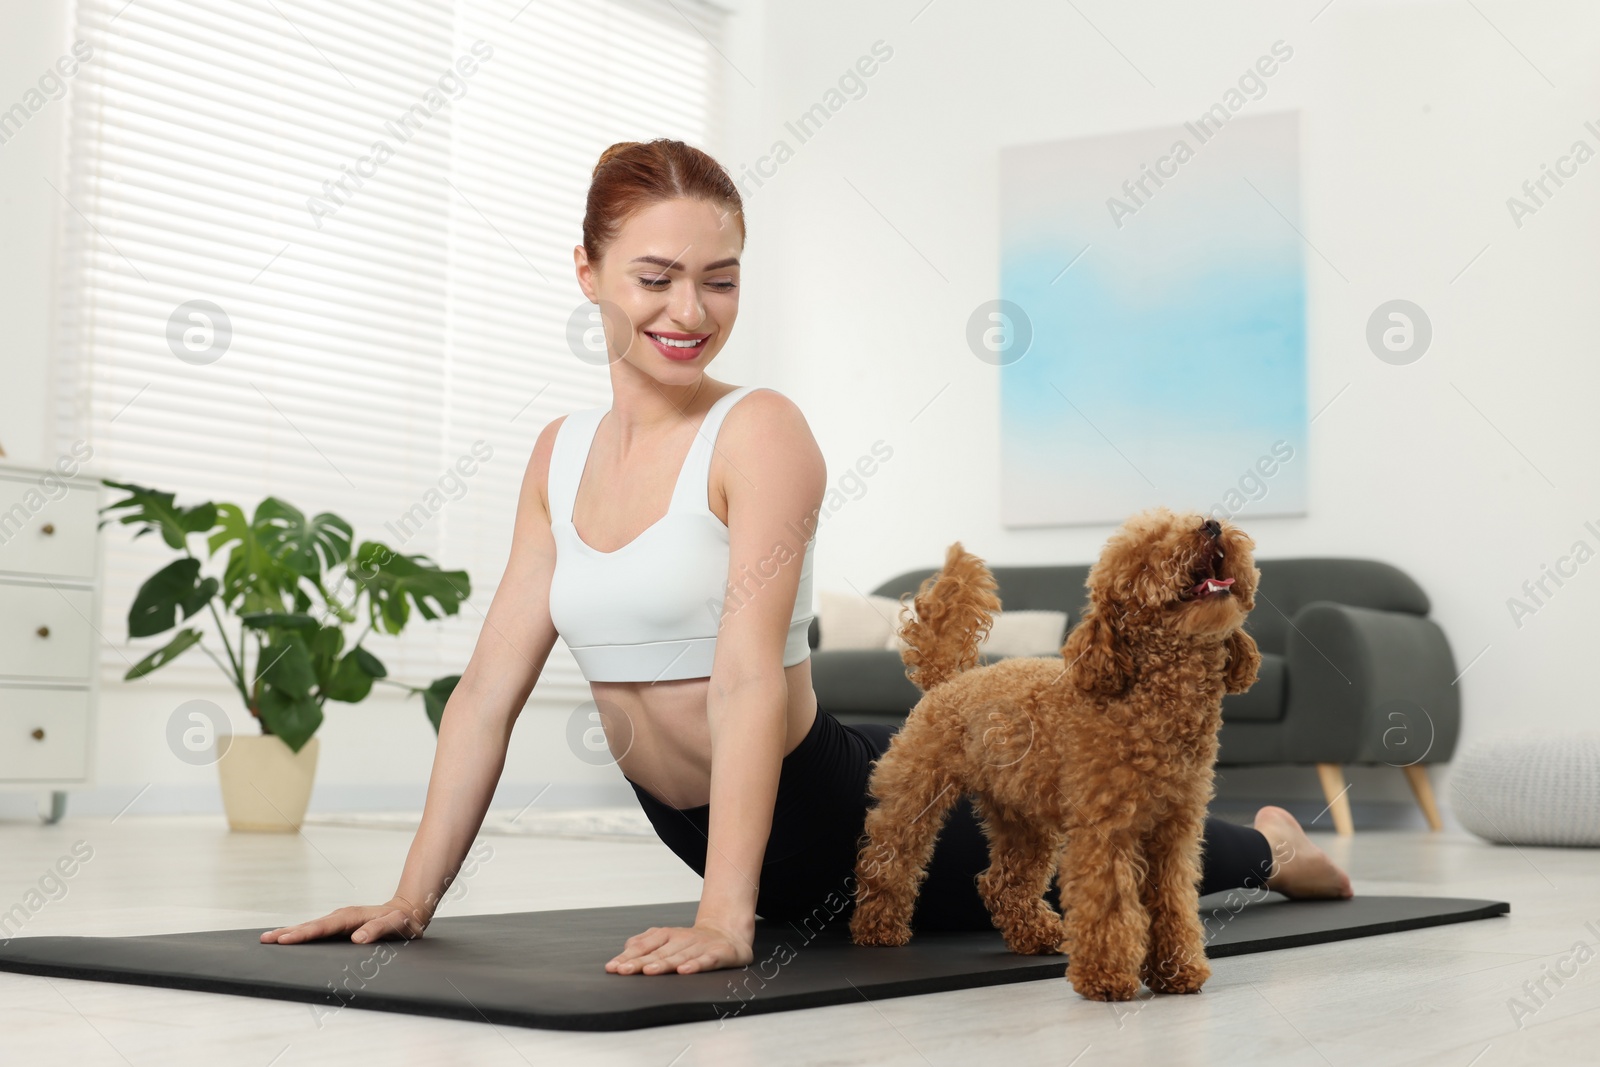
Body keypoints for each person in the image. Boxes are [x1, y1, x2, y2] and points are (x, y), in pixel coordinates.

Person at [260, 138, 1353, 977]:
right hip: (703, 827)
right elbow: (484, 696)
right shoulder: (556, 457)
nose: (689, 310)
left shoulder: (761, 432)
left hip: (840, 807)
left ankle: (1269, 842)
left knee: (1099, 835)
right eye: (654, 277)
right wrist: (412, 896)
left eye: (720, 278)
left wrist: (724, 918)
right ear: (586, 271)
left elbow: (741, 674)